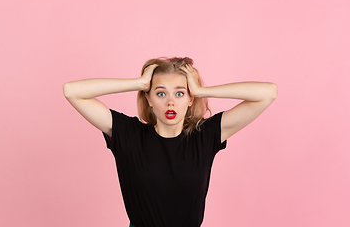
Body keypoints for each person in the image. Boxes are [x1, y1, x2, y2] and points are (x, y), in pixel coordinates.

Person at [63, 57, 278, 227]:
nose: (171, 101)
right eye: (160, 93)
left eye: (180, 93)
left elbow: (268, 93)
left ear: (190, 98)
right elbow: (72, 91)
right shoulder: (129, 134)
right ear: (148, 98)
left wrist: (202, 90)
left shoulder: (204, 136)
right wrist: (138, 83)